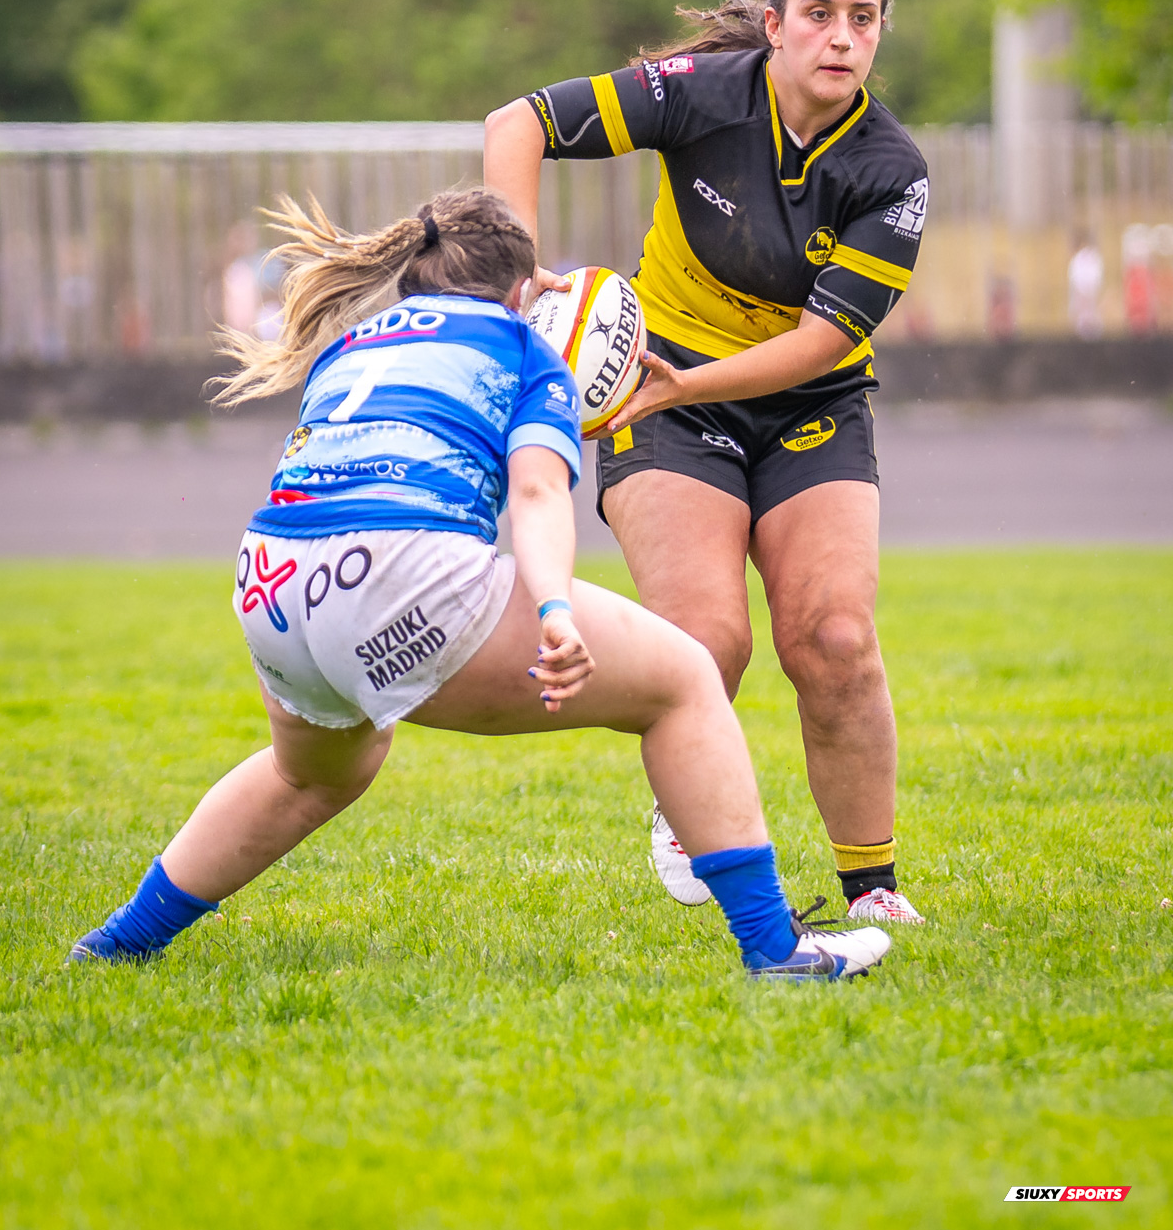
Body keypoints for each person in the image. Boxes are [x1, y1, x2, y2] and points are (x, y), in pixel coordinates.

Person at [67, 187, 892, 982]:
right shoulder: (526, 350)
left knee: (310, 774)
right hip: (398, 572)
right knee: (682, 680)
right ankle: (774, 950)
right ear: (527, 287)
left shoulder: (361, 338)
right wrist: (555, 606)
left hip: (271, 583)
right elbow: (536, 494)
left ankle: (113, 945)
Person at [484, 0, 928, 924]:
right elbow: (515, 122)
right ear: (773, 27)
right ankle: (684, 805)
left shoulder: (893, 171)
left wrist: (694, 384)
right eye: (818, 14)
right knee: (707, 638)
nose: (841, 37)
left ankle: (873, 889)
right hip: (655, 391)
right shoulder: (701, 91)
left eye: (864, 19)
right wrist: (514, 270)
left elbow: (823, 342)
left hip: (806, 407)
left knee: (835, 637)